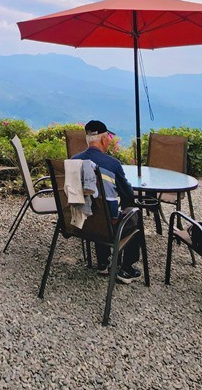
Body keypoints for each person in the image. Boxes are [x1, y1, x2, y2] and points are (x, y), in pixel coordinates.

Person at [71, 120, 142, 284]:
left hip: (80, 224)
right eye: (109, 136)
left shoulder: (73, 161)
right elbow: (128, 195)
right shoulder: (113, 164)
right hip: (105, 229)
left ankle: (103, 262)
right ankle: (126, 268)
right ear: (103, 139)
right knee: (133, 215)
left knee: (97, 208)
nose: (110, 139)